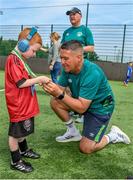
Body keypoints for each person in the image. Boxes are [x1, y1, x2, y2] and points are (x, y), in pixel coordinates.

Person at [43, 40, 131, 154]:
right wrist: (49, 86)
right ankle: (73, 132)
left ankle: (113, 135)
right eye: (61, 58)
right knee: (55, 102)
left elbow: (81, 108)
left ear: (79, 58)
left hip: (100, 109)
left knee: (86, 148)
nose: (62, 62)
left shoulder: (92, 73)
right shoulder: (67, 68)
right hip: (82, 102)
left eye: (66, 58)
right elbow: (59, 91)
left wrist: (59, 93)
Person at [5, 27, 51, 173]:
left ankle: (23, 150)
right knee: (15, 134)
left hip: (25, 104)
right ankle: (15, 160)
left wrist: (38, 81)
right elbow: (21, 83)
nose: (35, 53)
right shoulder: (13, 59)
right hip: (18, 105)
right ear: (23, 45)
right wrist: (39, 79)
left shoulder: (20, 60)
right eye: (33, 50)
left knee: (23, 130)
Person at [61, 7, 95, 123]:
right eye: (70, 14)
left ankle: (83, 113)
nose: (72, 16)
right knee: (67, 88)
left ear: (80, 16)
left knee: (82, 89)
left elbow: (91, 48)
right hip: (68, 66)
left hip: (81, 67)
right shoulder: (66, 32)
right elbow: (62, 48)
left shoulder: (85, 30)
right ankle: (73, 109)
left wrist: (76, 50)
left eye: (74, 14)